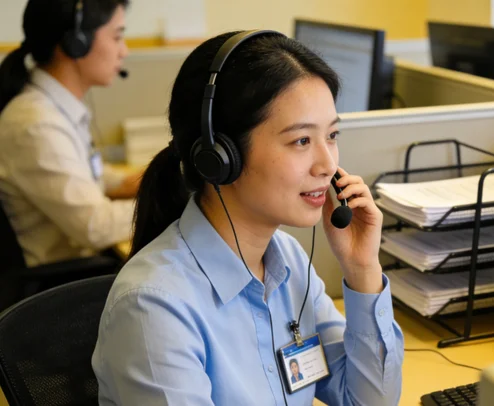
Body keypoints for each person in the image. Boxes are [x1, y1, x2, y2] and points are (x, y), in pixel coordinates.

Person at [91, 30, 404, 405]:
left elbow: (369, 400)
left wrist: (362, 269)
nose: (328, 164)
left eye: (332, 135)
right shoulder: (155, 307)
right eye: (301, 141)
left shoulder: (285, 261)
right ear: (220, 157)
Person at [0, 0, 139, 267]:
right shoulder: (36, 124)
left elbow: (86, 172)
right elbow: (94, 226)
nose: (124, 51)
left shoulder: (52, 108)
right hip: (63, 286)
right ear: (78, 42)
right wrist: (171, 202)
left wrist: (139, 181)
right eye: (117, 37)